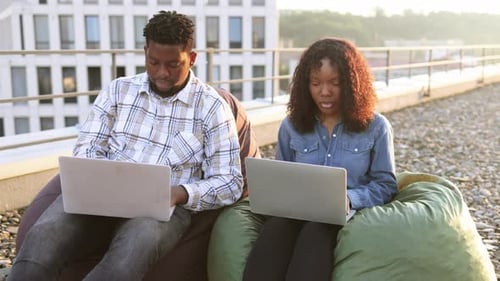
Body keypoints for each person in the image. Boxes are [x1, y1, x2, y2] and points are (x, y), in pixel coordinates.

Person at [9, 10, 244, 281]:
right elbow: (87, 148)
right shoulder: (118, 91)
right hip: (101, 196)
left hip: (162, 210)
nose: (162, 73)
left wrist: (179, 193)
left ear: (191, 58)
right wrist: (98, 174)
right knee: (41, 238)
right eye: (153, 62)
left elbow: (230, 182)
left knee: (125, 260)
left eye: (173, 65)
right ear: (145, 52)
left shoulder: (212, 108)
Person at [242, 37, 398, 281]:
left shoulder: (376, 127)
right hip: (297, 210)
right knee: (275, 230)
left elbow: (386, 184)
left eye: (335, 83)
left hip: (344, 213)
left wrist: (349, 198)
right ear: (306, 85)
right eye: (316, 83)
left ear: (351, 84)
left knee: (315, 232)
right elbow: (281, 177)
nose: (325, 92)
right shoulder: (291, 126)